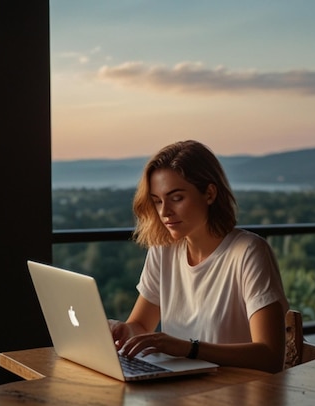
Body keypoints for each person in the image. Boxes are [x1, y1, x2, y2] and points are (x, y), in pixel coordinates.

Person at [108, 140, 289, 373]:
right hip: (179, 392)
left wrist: (188, 349)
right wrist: (125, 331)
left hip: (236, 395)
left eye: (176, 198)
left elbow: (271, 356)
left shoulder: (249, 253)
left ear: (210, 193)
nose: (164, 212)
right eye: (157, 201)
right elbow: (141, 324)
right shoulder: (163, 250)